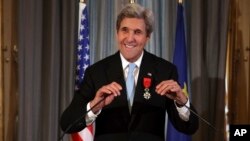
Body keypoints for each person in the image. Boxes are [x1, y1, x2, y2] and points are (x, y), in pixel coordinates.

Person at [60, 3, 198, 141]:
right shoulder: (97, 72)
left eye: (137, 32)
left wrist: (181, 102)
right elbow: (67, 123)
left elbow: (189, 127)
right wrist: (94, 106)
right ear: (117, 33)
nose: (130, 38)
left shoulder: (165, 71)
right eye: (124, 30)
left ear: (147, 37)